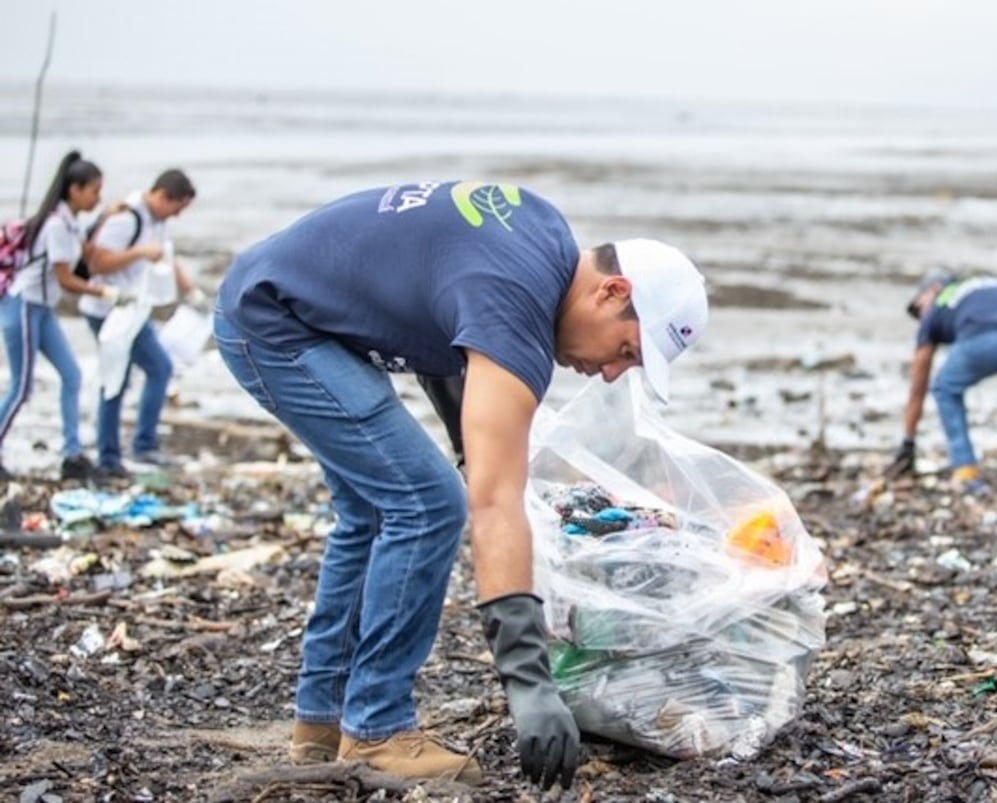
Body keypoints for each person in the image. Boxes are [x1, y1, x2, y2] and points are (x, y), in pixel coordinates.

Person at [214, 180, 708, 788]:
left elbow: (437, 314)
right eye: (626, 351)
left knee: (375, 510)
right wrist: (529, 682)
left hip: (283, 298)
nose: (610, 374)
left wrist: (466, 446)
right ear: (612, 291)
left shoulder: (541, 238)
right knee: (425, 504)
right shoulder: (517, 301)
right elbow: (493, 506)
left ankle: (322, 723)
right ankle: (376, 731)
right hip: (276, 322)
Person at [0, 151, 127, 482]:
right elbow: (66, 279)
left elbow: (83, 251)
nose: (97, 197)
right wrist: (106, 293)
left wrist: (106, 217)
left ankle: (71, 453)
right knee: (21, 387)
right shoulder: (56, 225)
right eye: (94, 191)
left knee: (71, 374)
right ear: (75, 189)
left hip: (43, 310)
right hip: (25, 307)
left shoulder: (69, 223)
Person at [886, 272, 997, 491]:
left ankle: (965, 468)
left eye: (918, 307)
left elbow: (918, 385)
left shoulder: (938, 304)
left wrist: (908, 439)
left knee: (945, 388)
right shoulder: (996, 285)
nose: (920, 315)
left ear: (934, 289)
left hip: (979, 340)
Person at [80, 169, 202, 479]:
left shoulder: (157, 221)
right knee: (122, 378)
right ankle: (119, 453)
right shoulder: (127, 218)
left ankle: (133, 446)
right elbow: (97, 263)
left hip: (133, 309)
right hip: (109, 310)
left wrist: (190, 290)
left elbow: (167, 257)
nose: (176, 217)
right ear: (162, 196)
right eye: (176, 209)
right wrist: (138, 253)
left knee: (153, 369)